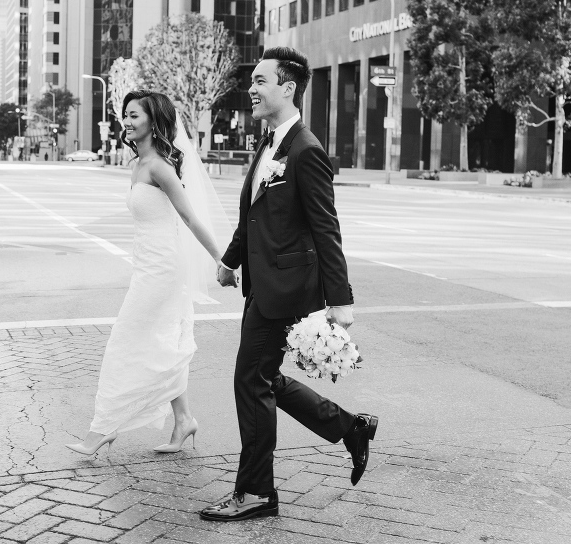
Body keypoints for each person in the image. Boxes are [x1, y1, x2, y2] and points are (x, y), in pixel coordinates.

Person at [199, 47, 378, 522]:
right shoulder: (269, 143)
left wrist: (340, 300)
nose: (251, 89)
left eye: (260, 81)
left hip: (286, 290)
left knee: (250, 379)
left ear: (288, 88)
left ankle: (256, 492)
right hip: (262, 284)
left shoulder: (305, 150)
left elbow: (327, 228)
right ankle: (350, 427)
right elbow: (255, 214)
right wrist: (229, 261)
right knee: (265, 378)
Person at [66, 90, 230, 456]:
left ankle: (101, 429)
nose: (127, 120)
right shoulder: (136, 165)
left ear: (153, 121)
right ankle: (184, 418)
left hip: (164, 270)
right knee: (162, 343)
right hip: (146, 266)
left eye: (135, 115)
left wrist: (222, 260)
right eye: (125, 114)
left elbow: (189, 218)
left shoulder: (158, 167)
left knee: (125, 340)